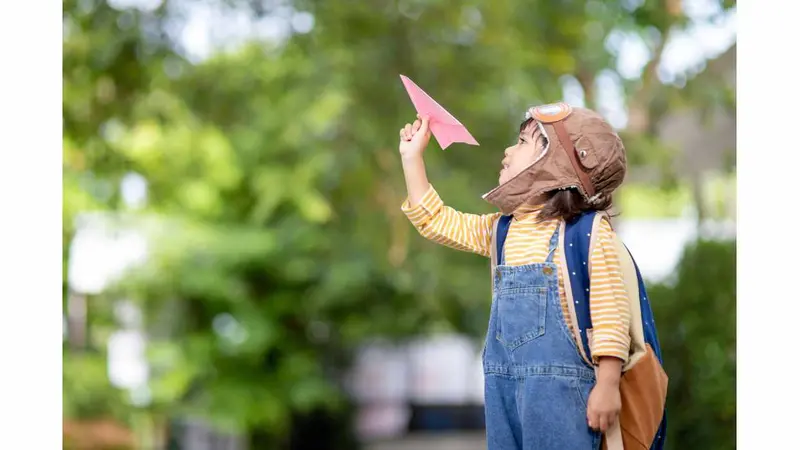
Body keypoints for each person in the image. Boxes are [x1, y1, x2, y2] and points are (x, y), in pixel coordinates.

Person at [397, 103, 631, 450]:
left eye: (523, 142)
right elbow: (437, 221)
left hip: (563, 392)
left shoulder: (587, 234)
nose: (508, 150)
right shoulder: (502, 230)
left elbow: (611, 314)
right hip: (503, 385)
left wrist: (608, 384)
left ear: (561, 162)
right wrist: (411, 157)